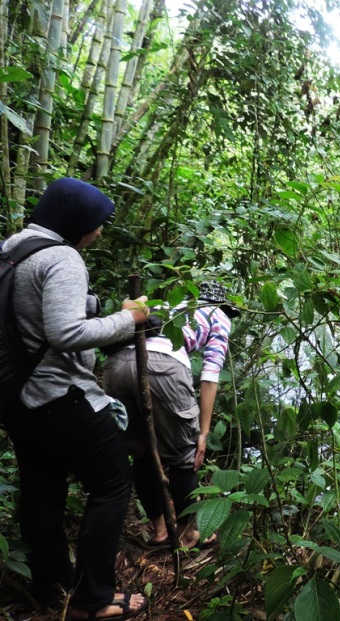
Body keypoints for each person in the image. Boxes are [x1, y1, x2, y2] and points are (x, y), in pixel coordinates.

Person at [3, 178, 149, 619]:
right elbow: (65, 334)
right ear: (75, 220)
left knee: (41, 494)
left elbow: (26, 307)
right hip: (58, 395)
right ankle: (94, 598)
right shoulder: (63, 257)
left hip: (17, 398)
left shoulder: (14, 248)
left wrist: (91, 302)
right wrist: (128, 319)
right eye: (97, 223)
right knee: (112, 485)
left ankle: (52, 588)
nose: (99, 232)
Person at [103, 280, 238, 549]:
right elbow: (210, 377)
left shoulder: (170, 305)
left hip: (116, 366)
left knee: (142, 454)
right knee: (184, 457)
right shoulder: (219, 316)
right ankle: (189, 535)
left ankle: (160, 532)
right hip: (163, 365)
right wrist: (204, 431)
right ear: (223, 305)